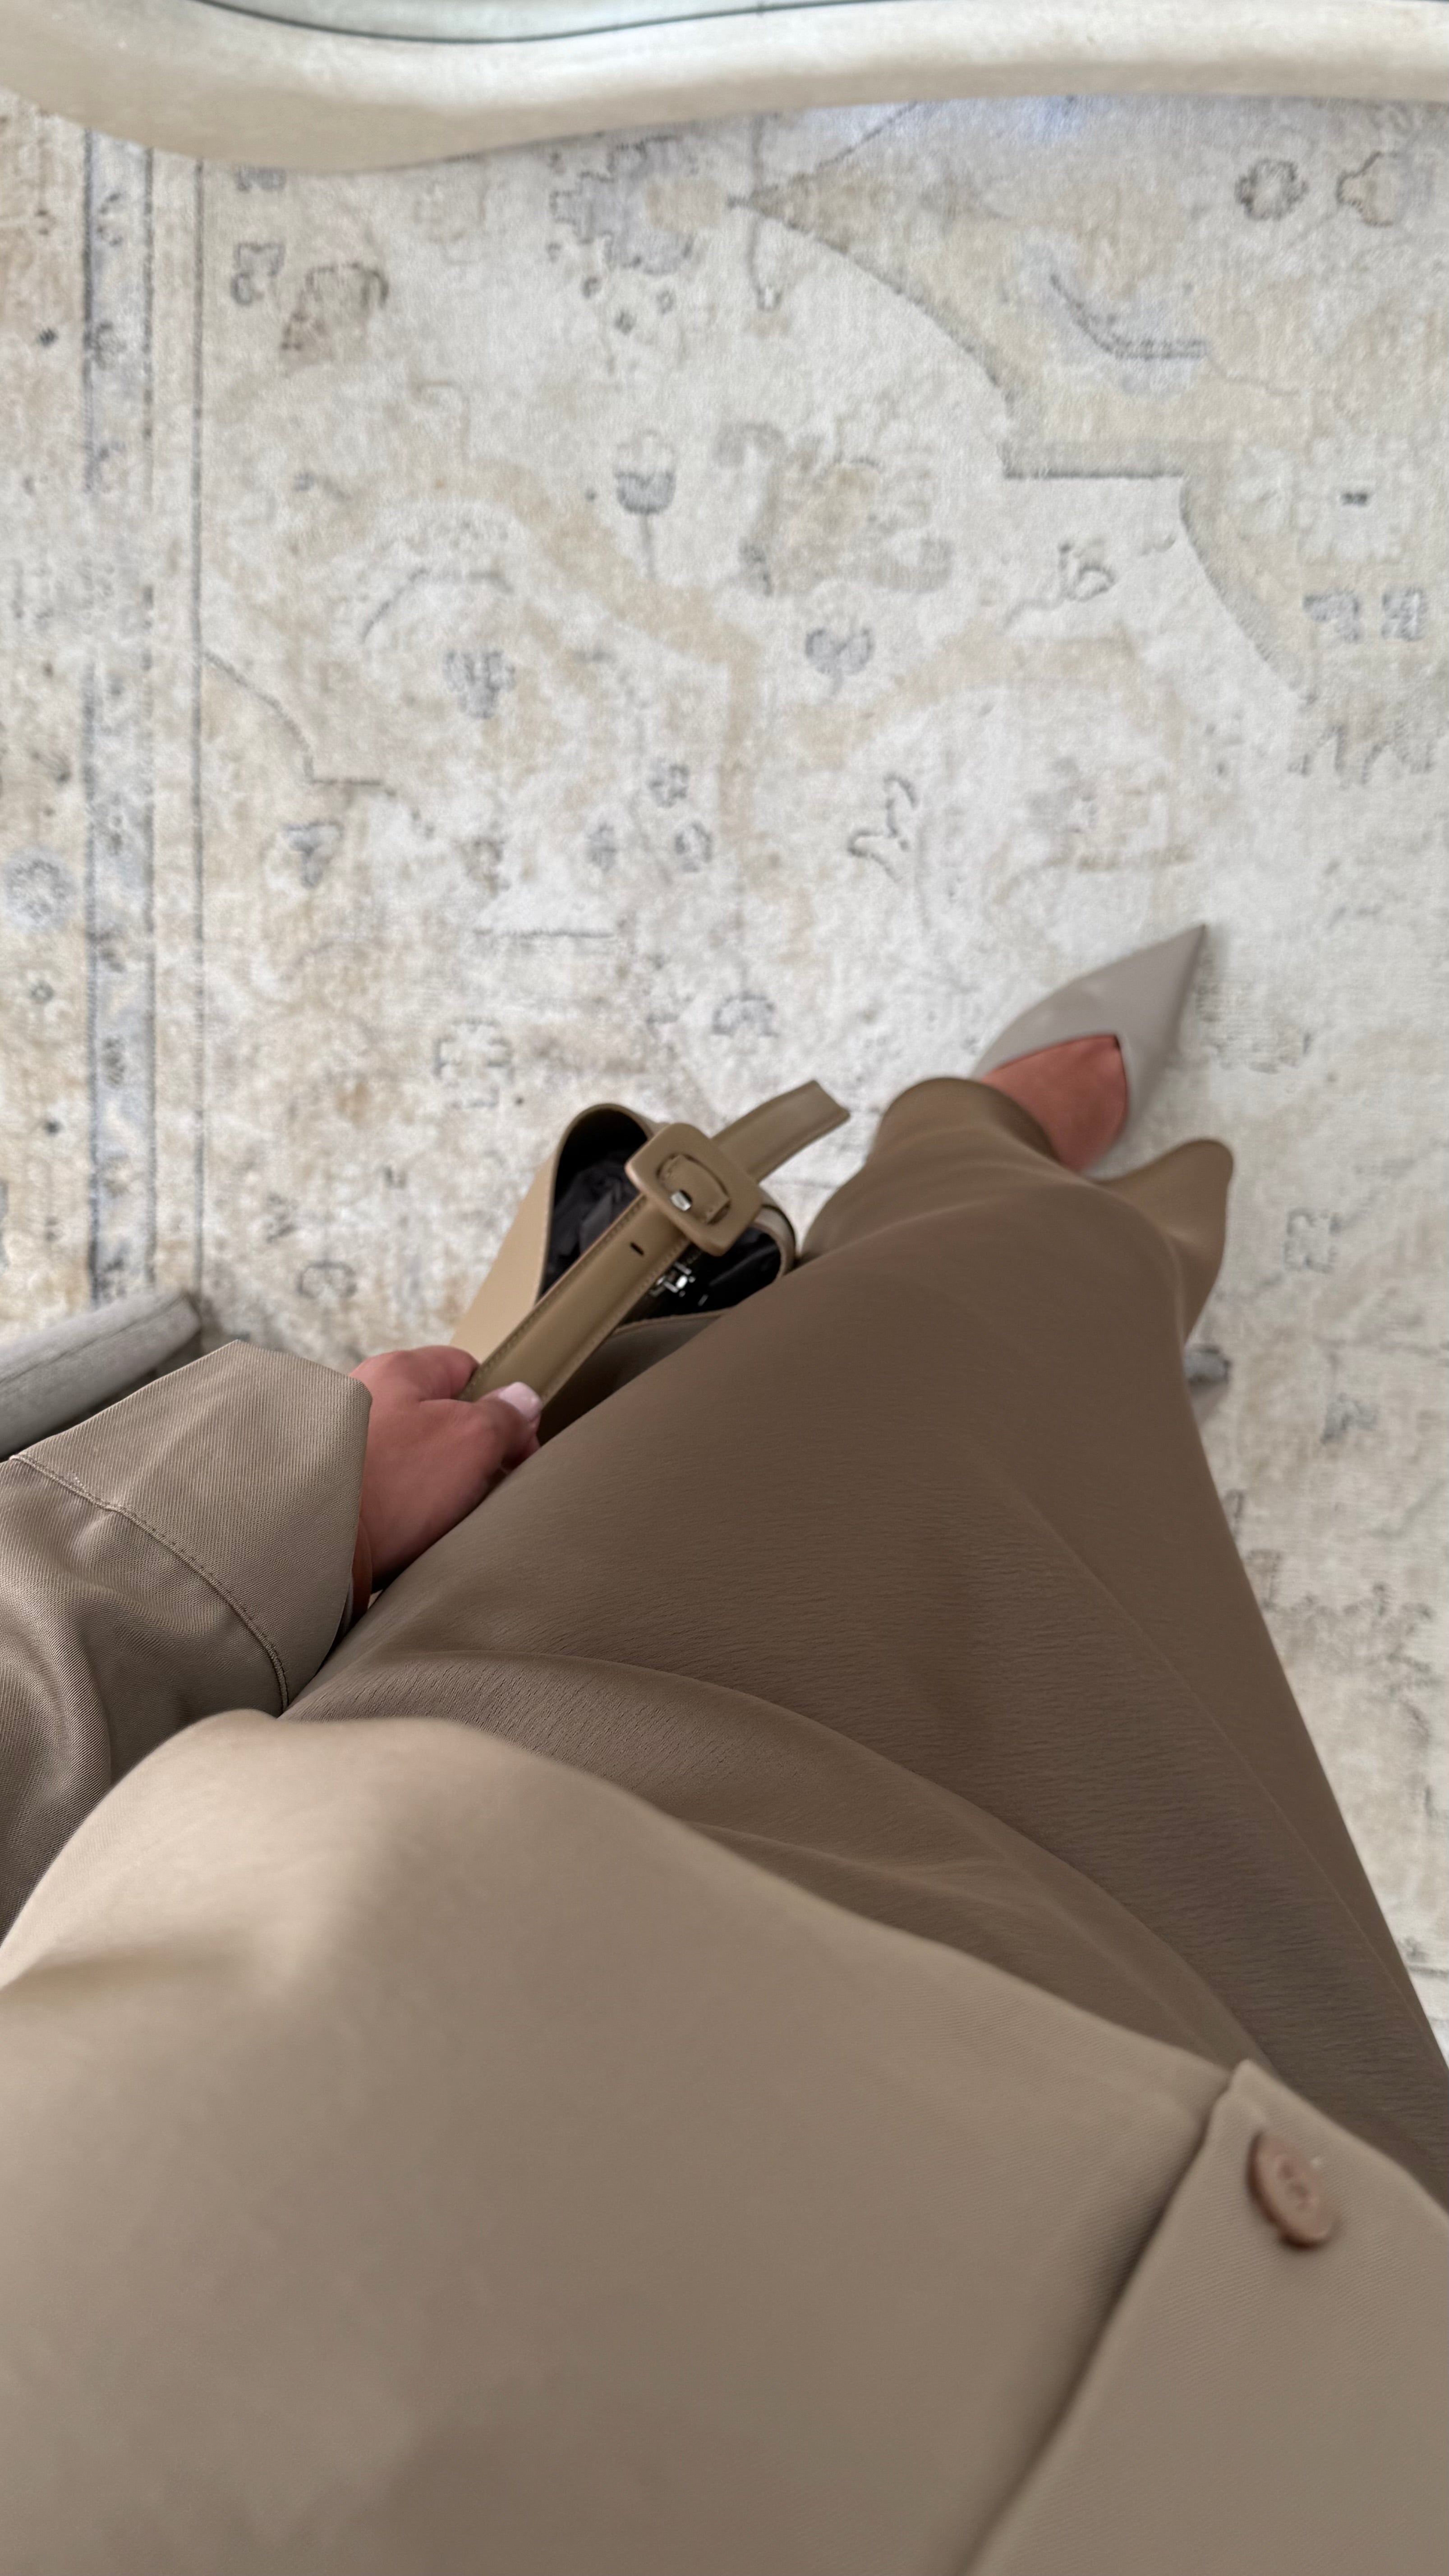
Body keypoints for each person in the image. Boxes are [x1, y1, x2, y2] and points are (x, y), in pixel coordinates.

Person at [0, 929, 1443, 2575]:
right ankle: (1032, 1267)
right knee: (1095, 1578)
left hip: (529, 1837)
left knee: (947, 1336)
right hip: (1331, 2329)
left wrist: (233, 1535)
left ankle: (980, 1161)